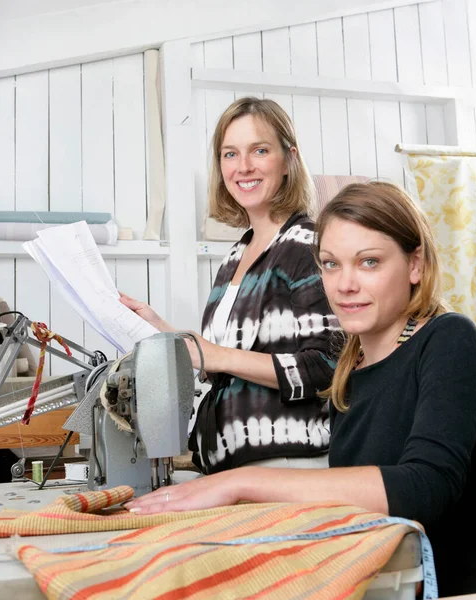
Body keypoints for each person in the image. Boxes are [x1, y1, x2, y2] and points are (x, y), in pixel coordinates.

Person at [125, 181, 476, 597]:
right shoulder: (350, 371)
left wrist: (241, 482)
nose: (344, 284)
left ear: (416, 265)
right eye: (331, 264)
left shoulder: (448, 340)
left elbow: (423, 489)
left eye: (369, 262)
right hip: (389, 580)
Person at [121, 97, 339, 475]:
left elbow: (327, 367)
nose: (243, 167)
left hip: (288, 466)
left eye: (259, 150)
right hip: (231, 466)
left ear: (288, 160)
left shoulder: (308, 245)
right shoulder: (234, 258)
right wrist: (168, 334)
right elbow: (227, 365)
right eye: (230, 154)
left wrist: (211, 354)